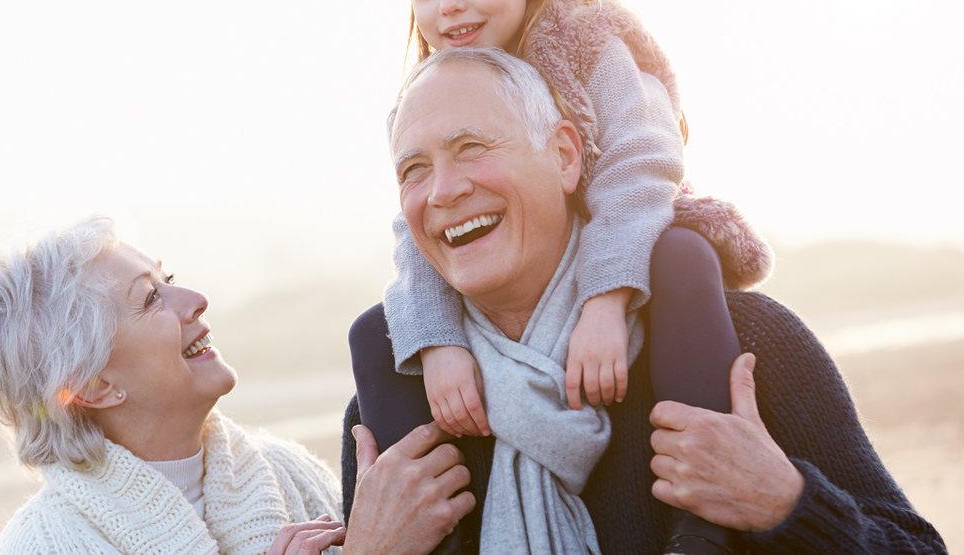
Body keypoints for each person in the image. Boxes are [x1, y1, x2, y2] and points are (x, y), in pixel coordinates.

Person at [342, 48, 945, 553]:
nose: (444, 190)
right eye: (414, 169)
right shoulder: (392, 412)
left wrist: (785, 503)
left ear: (565, 155)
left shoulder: (744, 346)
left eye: (472, 147)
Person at [356, 0, 769, 549]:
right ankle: (436, 532)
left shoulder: (588, 37)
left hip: (632, 229)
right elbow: (418, 232)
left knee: (683, 256)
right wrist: (439, 344)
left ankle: (705, 511)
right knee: (374, 333)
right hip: (519, 286)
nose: (447, 4)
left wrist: (605, 301)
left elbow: (641, 162)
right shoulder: (428, 92)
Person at [0, 217, 475, 554]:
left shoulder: (285, 471)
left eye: (170, 278)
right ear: (92, 384)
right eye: (149, 299)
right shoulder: (42, 544)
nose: (195, 299)